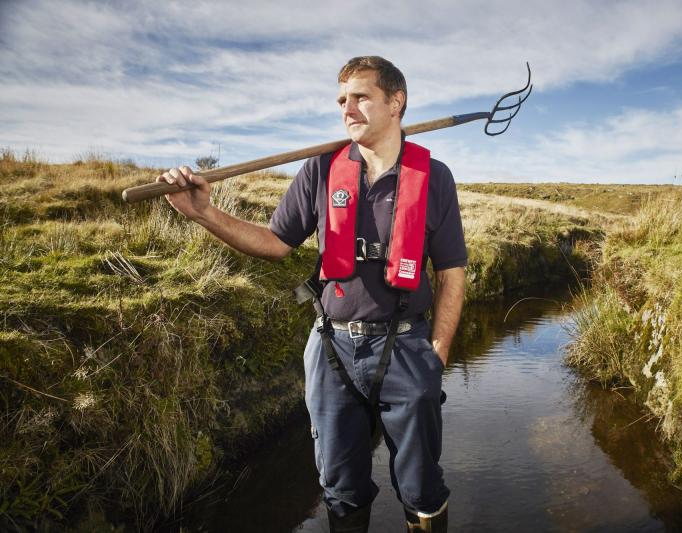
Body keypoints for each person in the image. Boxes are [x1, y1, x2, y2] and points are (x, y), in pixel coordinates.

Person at [157, 56, 466, 533]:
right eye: (342, 100)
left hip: (406, 348)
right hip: (332, 349)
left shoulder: (434, 177)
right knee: (340, 486)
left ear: (396, 102)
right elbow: (275, 243)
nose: (348, 108)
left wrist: (438, 354)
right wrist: (203, 214)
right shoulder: (321, 169)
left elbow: (451, 272)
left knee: (422, 487)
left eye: (361, 97)